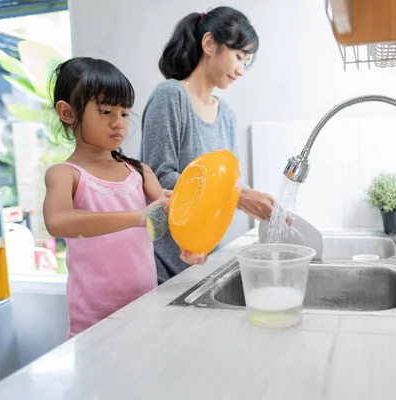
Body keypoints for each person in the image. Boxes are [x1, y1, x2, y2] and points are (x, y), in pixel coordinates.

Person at [43, 57, 205, 338]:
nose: (118, 123)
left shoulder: (139, 172)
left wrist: (192, 245)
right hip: (93, 322)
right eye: (105, 111)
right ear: (67, 113)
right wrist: (137, 218)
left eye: (125, 113)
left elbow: (173, 213)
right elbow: (58, 221)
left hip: (146, 308)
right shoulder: (65, 175)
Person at [141, 6, 275, 284]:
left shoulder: (226, 113)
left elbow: (231, 180)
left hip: (205, 258)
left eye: (246, 61)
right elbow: (160, 177)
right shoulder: (170, 96)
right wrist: (237, 196)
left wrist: (259, 202)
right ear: (210, 43)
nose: (241, 70)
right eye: (238, 56)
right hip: (165, 264)